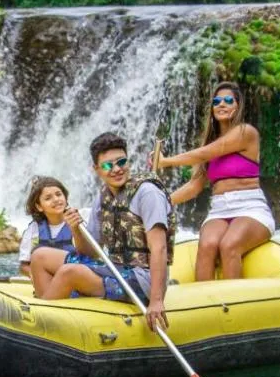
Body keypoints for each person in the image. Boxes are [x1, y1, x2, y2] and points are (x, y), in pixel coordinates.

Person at [28, 132, 175, 331]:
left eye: (121, 162)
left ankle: (40, 325)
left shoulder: (147, 193)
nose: (116, 169)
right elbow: (90, 252)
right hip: (116, 269)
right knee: (40, 256)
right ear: (96, 169)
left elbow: (159, 248)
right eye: (107, 166)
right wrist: (75, 229)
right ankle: (52, 309)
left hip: (143, 281)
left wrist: (156, 301)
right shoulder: (103, 197)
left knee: (69, 272)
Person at [154, 81, 274, 281]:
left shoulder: (246, 132)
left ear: (238, 106)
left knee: (229, 245)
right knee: (207, 245)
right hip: (219, 209)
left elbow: (206, 153)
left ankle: (233, 298)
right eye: (217, 101)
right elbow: (194, 186)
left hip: (250, 207)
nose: (221, 104)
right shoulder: (209, 144)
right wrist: (164, 201)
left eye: (228, 100)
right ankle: (205, 297)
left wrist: (165, 162)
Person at [17, 176, 75, 277]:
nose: (56, 199)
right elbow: (23, 266)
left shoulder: (77, 223)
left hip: (73, 277)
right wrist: (38, 276)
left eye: (58, 194)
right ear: (39, 206)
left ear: (65, 197)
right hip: (45, 280)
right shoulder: (33, 229)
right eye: (48, 198)